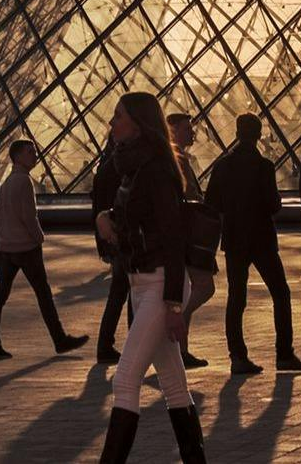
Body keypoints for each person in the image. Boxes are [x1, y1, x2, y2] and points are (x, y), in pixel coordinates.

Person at [96, 92, 204, 464]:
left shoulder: (156, 170)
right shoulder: (132, 167)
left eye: (118, 116)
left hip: (160, 285)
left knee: (125, 380)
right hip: (141, 284)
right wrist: (106, 219)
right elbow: (137, 220)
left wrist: (175, 303)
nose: (112, 123)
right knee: (174, 385)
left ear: (139, 123)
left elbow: (174, 239)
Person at [203, 112, 301, 377]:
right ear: (259, 134)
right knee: (280, 293)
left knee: (236, 298)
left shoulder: (222, 166)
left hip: (234, 238)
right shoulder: (263, 165)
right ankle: (284, 354)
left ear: (237, 133)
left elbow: (211, 204)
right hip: (261, 238)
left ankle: (238, 357)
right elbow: (273, 205)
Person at [0, 139, 89, 358]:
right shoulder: (24, 181)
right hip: (26, 248)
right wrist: (38, 237)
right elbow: (29, 217)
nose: (35, 155)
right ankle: (60, 340)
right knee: (43, 294)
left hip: (6, 249)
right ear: (18, 157)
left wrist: (5, 236)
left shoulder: (6, 183)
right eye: (30, 152)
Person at [166, 113, 217, 368]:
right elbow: (184, 194)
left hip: (183, 233)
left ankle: (180, 350)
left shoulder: (177, 157)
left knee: (190, 289)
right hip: (188, 234)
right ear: (171, 130)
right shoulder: (176, 159)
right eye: (187, 128)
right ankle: (177, 327)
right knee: (204, 287)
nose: (193, 133)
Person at [90, 133, 132, 364]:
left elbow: (96, 210)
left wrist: (102, 242)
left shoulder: (104, 169)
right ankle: (130, 344)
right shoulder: (118, 170)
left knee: (119, 293)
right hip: (123, 239)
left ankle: (105, 345)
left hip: (113, 238)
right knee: (129, 293)